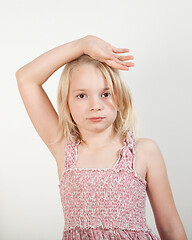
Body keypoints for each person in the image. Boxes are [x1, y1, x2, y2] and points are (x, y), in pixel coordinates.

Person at [16, 35, 187, 240]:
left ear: (121, 97)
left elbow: (170, 228)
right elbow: (26, 78)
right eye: (81, 95)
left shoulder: (144, 152)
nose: (95, 105)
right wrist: (82, 44)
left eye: (105, 94)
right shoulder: (63, 147)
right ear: (67, 103)